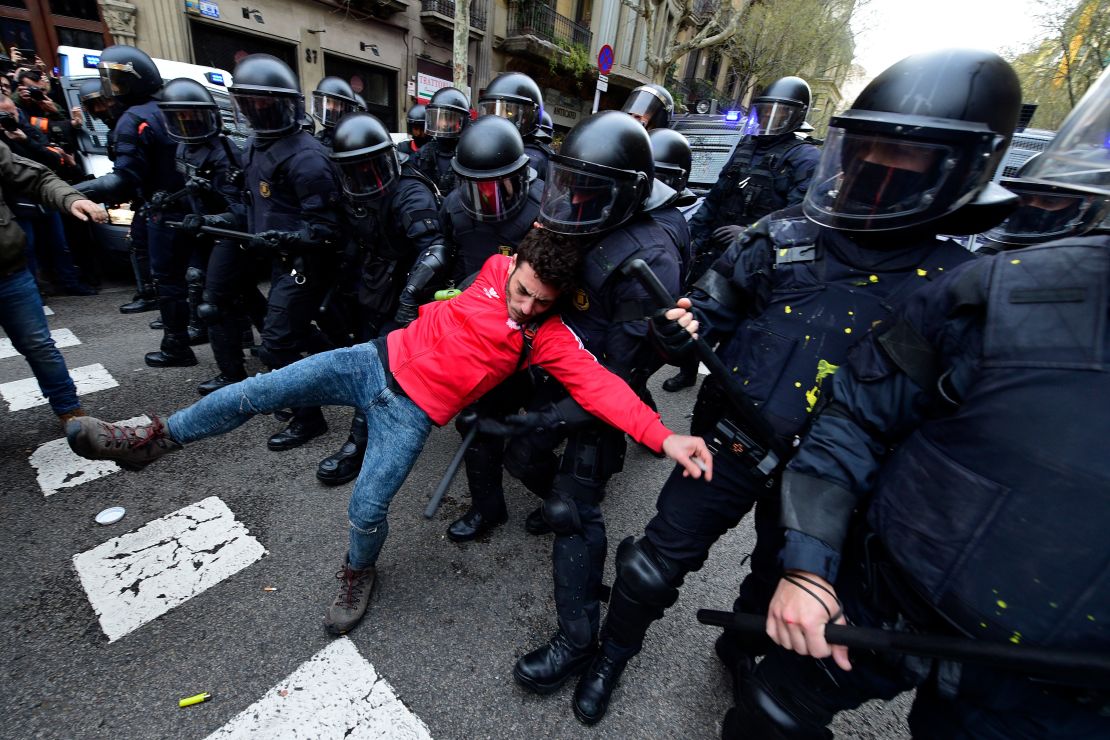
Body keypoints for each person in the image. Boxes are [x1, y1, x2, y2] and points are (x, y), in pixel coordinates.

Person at [571, 48, 1024, 726]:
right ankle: (612, 652)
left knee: (772, 581)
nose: (878, 177)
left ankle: (739, 649)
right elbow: (705, 314)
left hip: (840, 485)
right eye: (870, 154)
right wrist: (678, 330)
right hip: (731, 443)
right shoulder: (781, 236)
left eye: (907, 164)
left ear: (960, 172)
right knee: (653, 565)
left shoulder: (960, 290)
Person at [65, 228, 714, 638]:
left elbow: (602, 387)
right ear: (510, 267)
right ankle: (150, 439)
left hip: (411, 414)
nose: (525, 308)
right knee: (256, 390)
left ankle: (357, 572)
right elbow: (531, 235)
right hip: (368, 361)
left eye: (541, 302)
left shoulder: (547, 337)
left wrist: (663, 438)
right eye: (522, 293)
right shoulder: (494, 265)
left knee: (368, 506)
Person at [745, 63, 1110, 740]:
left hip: (1063, 696)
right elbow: (856, 415)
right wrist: (810, 564)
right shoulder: (999, 290)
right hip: (893, 593)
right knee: (771, 710)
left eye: (908, 164)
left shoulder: (955, 265)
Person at [497, 111, 684, 699]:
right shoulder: (580, 209)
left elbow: (623, 374)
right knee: (518, 455)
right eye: (565, 183)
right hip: (558, 359)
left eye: (584, 190)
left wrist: (555, 415)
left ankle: (579, 642)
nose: (569, 200)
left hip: (605, 382)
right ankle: (556, 489)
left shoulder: (647, 257)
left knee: (571, 511)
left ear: (624, 195)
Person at [180, 53, 343, 452]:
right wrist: (214, 215)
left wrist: (289, 239)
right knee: (296, 331)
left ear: (285, 105)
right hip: (272, 254)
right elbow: (250, 204)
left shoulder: (306, 157)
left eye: (263, 106)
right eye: (248, 105)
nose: (255, 114)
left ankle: (309, 418)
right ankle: (344, 368)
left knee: (278, 343)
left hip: (305, 261)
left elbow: (328, 229)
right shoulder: (254, 146)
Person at [663, 76, 821, 392]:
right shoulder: (746, 147)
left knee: (741, 332)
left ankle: (727, 387)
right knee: (697, 315)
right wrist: (690, 237)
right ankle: (688, 370)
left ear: (797, 116)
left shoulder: (805, 158)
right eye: (765, 112)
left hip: (762, 263)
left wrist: (750, 234)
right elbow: (717, 197)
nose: (769, 120)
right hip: (718, 254)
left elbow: (799, 219)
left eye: (780, 113)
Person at [314, 112, 445, 486]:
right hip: (374, 284)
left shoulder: (409, 191)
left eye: (369, 167)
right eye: (354, 170)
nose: (363, 177)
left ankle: (357, 446)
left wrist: (410, 298)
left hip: (409, 289)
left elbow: (434, 249)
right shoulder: (355, 191)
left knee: (379, 369)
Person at [436, 115, 547, 541]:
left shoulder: (544, 208)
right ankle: (488, 509)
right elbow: (448, 252)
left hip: (538, 333)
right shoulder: (453, 208)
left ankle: (564, 499)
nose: (489, 199)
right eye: (477, 188)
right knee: (476, 420)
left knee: (542, 429)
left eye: (498, 186)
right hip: (484, 332)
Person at [75, 45, 194, 367]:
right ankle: (225, 336)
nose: (111, 90)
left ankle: (177, 346)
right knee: (203, 277)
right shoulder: (169, 106)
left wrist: (71, 192)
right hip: (194, 206)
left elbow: (124, 179)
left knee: (169, 281)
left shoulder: (134, 118)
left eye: (116, 81)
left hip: (164, 209)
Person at [159, 77, 266, 395]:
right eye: (180, 117)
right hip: (206, 232)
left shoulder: (223, 152)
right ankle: (276, 346)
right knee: (244, 293)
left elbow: (241, 208)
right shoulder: (182, 147)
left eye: (193, 116)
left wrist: (209, 215)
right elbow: (191, 191)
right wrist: (170, 200)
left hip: (230, 234)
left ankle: (231, 372)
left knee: (213, 302)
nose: (187, 124)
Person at [0, 142, 107, 424]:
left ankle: (71, 412)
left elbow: (38, 177)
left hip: (10, 273)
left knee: (40, 346)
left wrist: (72, 199)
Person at [477, 71, 549, 179]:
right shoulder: (478, 146)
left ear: (527, 117)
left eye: (507, 111)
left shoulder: (536, 159)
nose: (496, 118)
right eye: (491, 110)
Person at [416, 86, 470, 196]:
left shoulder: (470, 154)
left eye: (449, 118)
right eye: (440, 118)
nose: (444, 124)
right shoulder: (423, 153)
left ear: (461, 121)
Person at [310, 76, 359, 150]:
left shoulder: (355, 140)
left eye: (336, 103)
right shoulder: (319, 138)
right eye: (327, 102)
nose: (331, 107)